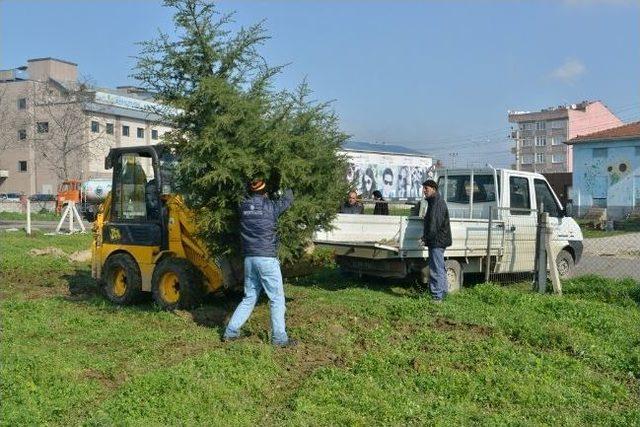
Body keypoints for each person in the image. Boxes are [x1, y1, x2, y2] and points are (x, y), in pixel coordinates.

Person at [223, 179, 297, 347]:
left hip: (250, 258)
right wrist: (289, 182)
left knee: (249, 297)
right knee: (277, 299)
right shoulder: (271, 207)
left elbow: (239, 193)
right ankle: (279, 338)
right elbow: (287, 201)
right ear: (265, 192)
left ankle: (231, 331)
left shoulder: (243, 207)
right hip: (267, 258)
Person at [421, 179, 452, 302]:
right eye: (424, 188)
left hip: (437, 241)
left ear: (433, 189)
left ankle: (437, 297)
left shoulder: (437, 204)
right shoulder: (434, 202)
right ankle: (442, 294)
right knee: (439, 268)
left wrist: (425, 238)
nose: (424, 191)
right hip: (437, 240)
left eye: (426, 188)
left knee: (435, 269)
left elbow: (434, 226)